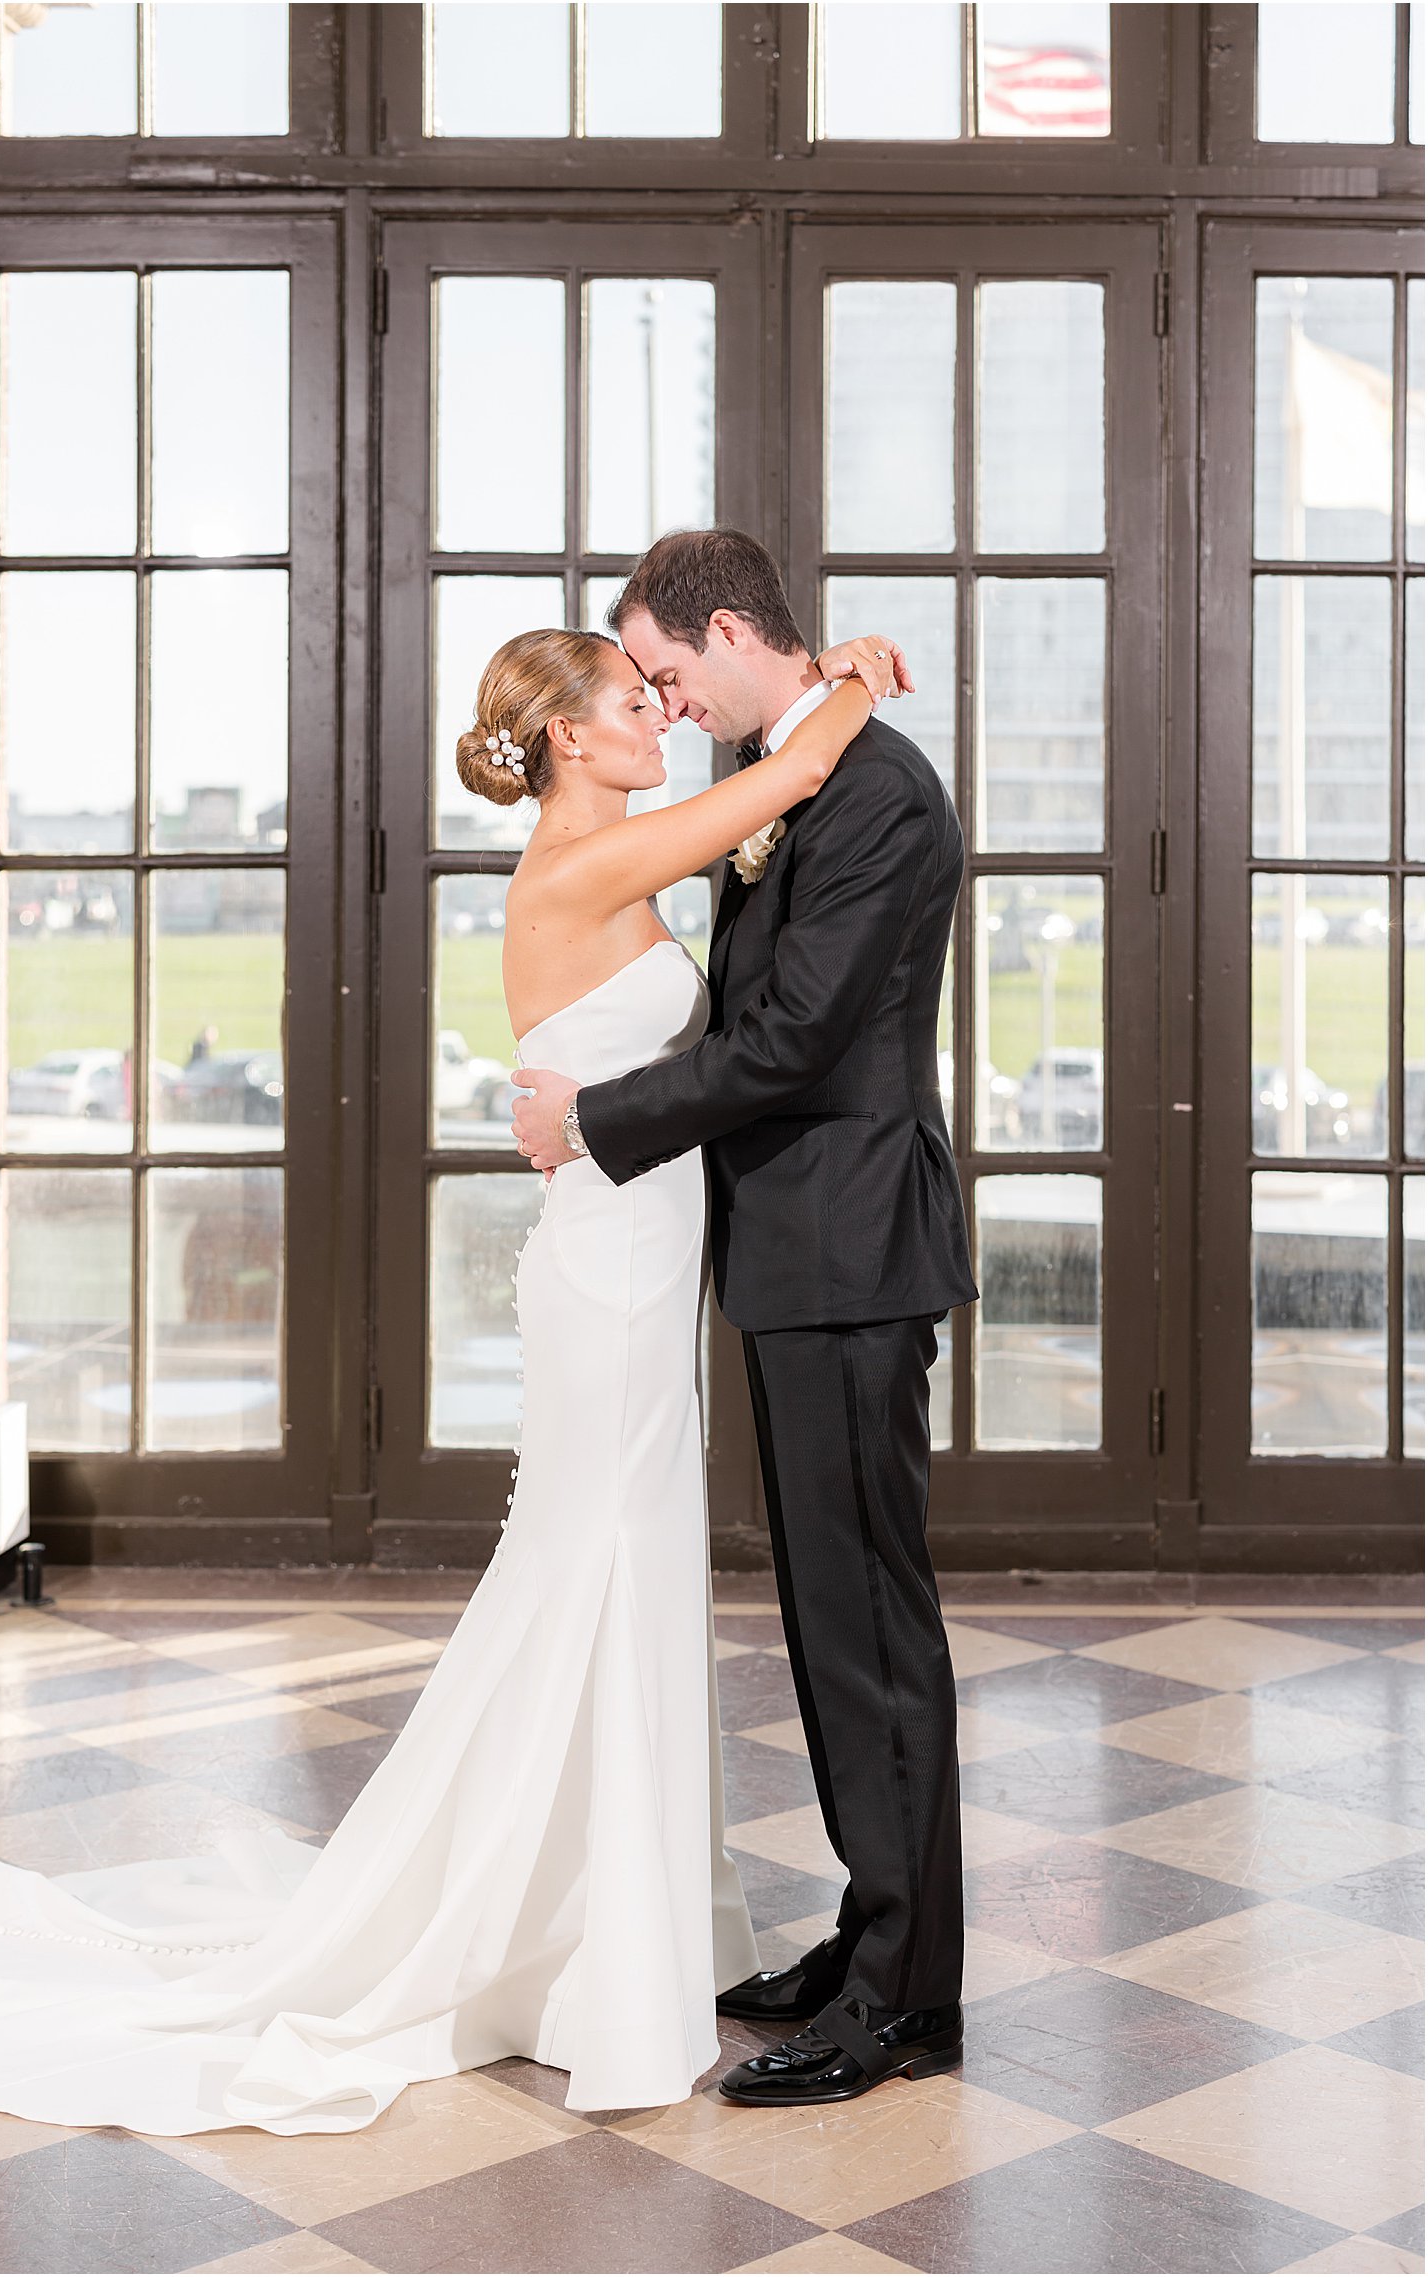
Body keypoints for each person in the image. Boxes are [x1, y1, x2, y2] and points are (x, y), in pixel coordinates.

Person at [0, 613, 902, 2135]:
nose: (664, 720)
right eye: (641, 704)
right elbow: (779, 787)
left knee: (621, 1573)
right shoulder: (581, 865)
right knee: (600, 1567)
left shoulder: (604, 855)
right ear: (573, 735)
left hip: (627, 1261)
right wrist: (855, 675)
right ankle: (580, 1950)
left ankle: (609, 1930)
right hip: (610, 1277)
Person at [513, 527, 978, 2109]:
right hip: (792, 1262)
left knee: (871, 1634)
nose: (660, 696)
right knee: (828, 1627)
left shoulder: (881, 796)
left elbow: (784, 1042)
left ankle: (902, 2000)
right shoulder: (798, 775)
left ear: (726, 632)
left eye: (664, 671)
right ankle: (872, 1937)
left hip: (852, 1258)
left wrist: (598, 1118)